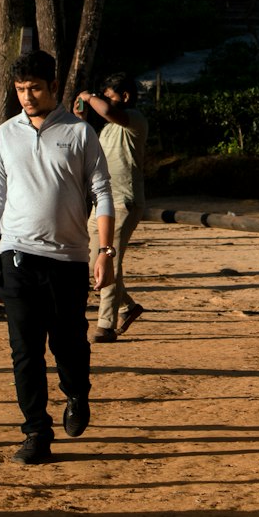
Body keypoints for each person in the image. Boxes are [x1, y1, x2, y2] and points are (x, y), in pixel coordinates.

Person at [0, 50, 115, 465]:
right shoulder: (5, 134)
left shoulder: (80, 133)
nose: (26, 96)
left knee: (68, 344)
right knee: (25, 349)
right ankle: (36, 431)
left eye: (34, 87)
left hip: (68, 260)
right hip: (16, 256)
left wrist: (104, 250)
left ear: (53, 86)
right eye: (19, 89)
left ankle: (76, 392)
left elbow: (102, 192)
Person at [77, 72, 148, 342]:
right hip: (103, 202)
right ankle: (127, 307)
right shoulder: (107, 129)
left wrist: (88, 97)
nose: (103, 101)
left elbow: (106, 110)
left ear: (126, 96)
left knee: (110, 260)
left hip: (125, 200)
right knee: (92, 261)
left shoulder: (135, 120)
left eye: (109, 95)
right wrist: (82, 119)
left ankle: (105, 324)